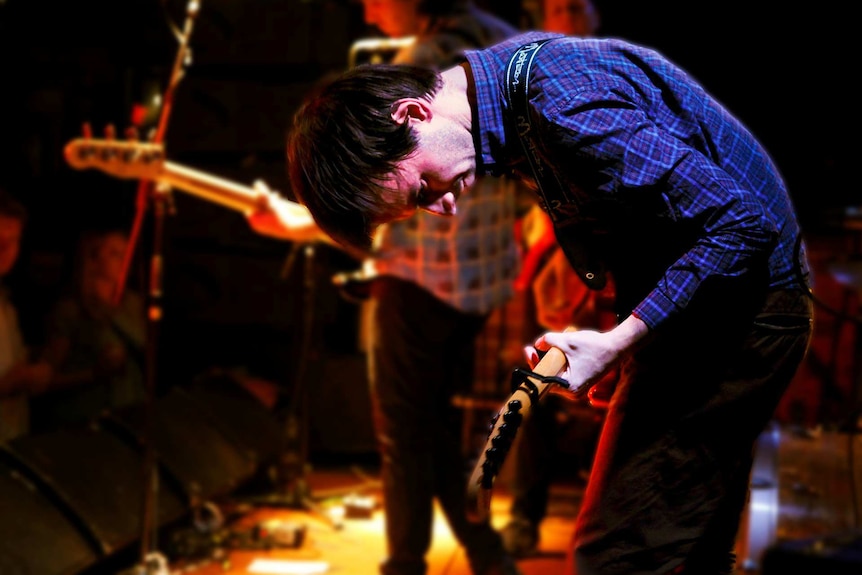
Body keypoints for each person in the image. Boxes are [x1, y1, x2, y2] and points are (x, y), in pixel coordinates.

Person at [281, 30, 814, 575]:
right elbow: (661, 221)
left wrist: (621, 339)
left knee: (616, 557)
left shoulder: (559, 102)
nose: (441, 208)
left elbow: (740, 225)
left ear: (412, 114)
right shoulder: (514, 93)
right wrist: (624, 344)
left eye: (421, 190)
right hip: (722, 309)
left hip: (748, 313)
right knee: (687, 555)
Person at [248, 2, 526, 574]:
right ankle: (485, 555)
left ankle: (407, 562)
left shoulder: (419, 70)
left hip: (419, 281)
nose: (369, 13)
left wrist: (304, 221)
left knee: (404, 432)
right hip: (485, 284)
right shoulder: (506, 41)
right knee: (440, 428)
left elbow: (400, 204)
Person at [499, 0, 607, 558]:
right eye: (552, 7)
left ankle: (607, 523)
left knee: (613, 395)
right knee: (533, 388)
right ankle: (524, 515)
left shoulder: (612, 68)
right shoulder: (529, 73)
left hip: (609, 254)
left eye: (570, 6)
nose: (560, 16)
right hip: (552, 254)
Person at [37, 228, 146, 429]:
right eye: (114, 253)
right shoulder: (72, 310)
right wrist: (94, 373)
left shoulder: (134, 304)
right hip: (84, 423)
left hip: (128, 418)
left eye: (126, 252)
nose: (124, 259)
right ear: (94, 259)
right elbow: (44, 380)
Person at [0, 188, 54, 442]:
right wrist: (8, 384)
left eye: (15, 240)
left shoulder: (6, 303)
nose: (6, 251)